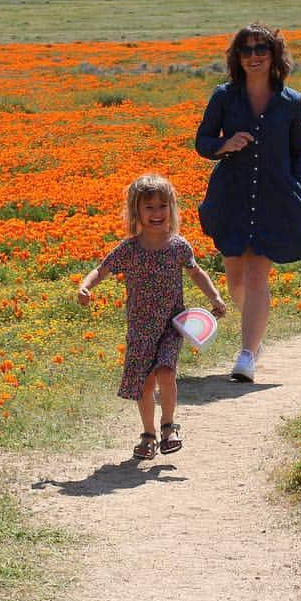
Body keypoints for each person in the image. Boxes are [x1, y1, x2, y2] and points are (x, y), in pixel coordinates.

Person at [77, 174, 227, 460]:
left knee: (167, 372)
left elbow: (196, 272)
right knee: (144, 382)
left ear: (171, 208)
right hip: (140, 327)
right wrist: (85, 286)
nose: (157, 213)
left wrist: (215, 297)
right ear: (136, 212)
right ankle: (148, 434)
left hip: (172, 323)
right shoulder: (129, 249)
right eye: (149, 208)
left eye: (162, 206)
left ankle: (169, 426)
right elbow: (102, 269)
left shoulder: (179, 246)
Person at [195, 23, 301, 382]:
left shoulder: (291, 101)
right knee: (235, 278)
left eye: (262, 49)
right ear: (237, 57)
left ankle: (247, 355)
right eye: (246, 50)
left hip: (274, 197)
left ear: (274, 54)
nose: (254, 56)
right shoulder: (223, 97)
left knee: (258, 273)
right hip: (232, 194)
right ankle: (255, 334)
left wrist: (299, 188)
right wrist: (223, 144)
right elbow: (202, 141)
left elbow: (300, 152)